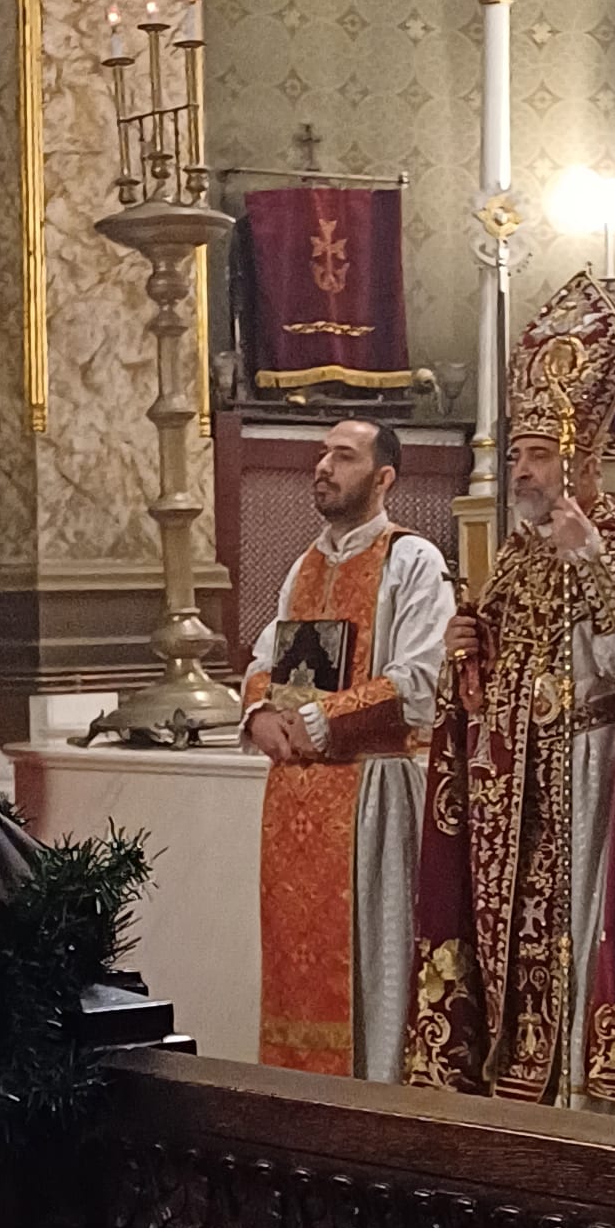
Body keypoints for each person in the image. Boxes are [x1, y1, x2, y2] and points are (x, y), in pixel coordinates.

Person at [404, 271, 615, 1111]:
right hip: (512, 780)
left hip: (594, 768)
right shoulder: (510, 554)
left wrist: (587, 556)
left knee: (585, 926)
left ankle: (590, 1082)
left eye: (538, 456)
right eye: (516, 455)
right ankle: (517, 1068)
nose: (522, 470)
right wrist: (467, 662)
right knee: (511, 936)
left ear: (581, 458)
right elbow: (486, 680)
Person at [242, 419, 453, 1080]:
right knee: (295, 958)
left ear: (384, 477)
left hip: (372, 791)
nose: (323, 467)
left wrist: (321, 719)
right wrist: (256, 715)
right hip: (296, 796)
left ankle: (377, 1107)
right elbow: (265, 657)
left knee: (375, 959)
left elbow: (423, 676)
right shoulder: (306, 564)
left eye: (343, 456)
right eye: (321, 454)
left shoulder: (411, 560)